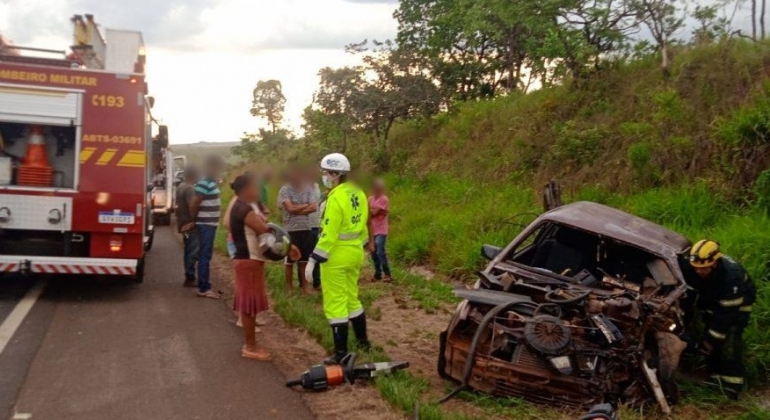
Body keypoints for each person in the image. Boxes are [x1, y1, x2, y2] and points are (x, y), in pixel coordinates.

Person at [305, 153, 372, 364]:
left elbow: (329, 233)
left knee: (335, 302)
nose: (324, 176)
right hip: (355, 253)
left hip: (336, 254)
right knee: (352, 296)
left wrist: (314, 259)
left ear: (335, 174)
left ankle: (341, 353)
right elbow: (362, 224)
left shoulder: (335, 198)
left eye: (325, 172)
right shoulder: (359, 193)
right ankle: (363, 342)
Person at [229, 174, 301, 361]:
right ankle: (250, 347)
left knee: (249, 306)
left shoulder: (241, 206)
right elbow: (266, 231)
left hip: (247, 261)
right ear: (246, 190)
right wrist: (289, 248)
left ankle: (251, 344)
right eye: (254, 187)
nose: (258, 190)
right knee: (248, 307)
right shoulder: (244, 210)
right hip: (248, 262)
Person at [681, 239, 756, 400]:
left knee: (728, 339)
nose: (699, 272)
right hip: (715, 301)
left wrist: (710, 340)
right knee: (711, 332)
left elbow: (725, 315)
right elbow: (689, 295)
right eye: (697, 268)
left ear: (715, 263)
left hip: (737, 305)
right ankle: (715, 378)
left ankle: (731, 388)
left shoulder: (731, 277)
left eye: (704, 269)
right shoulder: (691, 267)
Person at [278, 166, 318, 294]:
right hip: (290, 230)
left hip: (306, 229)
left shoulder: (308, 189)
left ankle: (305, 289)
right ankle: (289, 290)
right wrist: (306, 206)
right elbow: (290, 209)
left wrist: (298, 208)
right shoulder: (284, 190)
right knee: (289, 262)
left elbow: (314, 207)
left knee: (304, 261)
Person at [189, 154, 224, 299]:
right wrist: (193, 219)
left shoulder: (210, 182)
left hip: (209, 224)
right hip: (206, 224)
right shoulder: (204, 182)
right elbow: (195, 202)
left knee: (206, 254)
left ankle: (204, 285)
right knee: (205, 255)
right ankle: (204, 287)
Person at [176, 166, 199, 287]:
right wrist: (195, 221)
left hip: (182, 222)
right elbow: (192, 206)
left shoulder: (181, 186)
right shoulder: (190, 189)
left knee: (188, 249)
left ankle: (189, 274)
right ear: (193, 175)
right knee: (193, 250)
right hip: (189, 224)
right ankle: (190, 276)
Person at [368, 178, 392, 283]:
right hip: (372, 228)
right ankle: (377, 273)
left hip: (381, 229)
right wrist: (377, 211)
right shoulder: (370, 199)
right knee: (373, 252)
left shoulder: (384, 199)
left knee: (380, 251)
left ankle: (387, 274)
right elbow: (369, 213)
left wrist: (374, 211)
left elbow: (372, 213)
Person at [306, 167, 323, 289]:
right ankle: (306, 282)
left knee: (316, 254)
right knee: (306, 254)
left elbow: (317, 203)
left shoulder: (317, 186)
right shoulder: (302, 188)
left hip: (316, 225)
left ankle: (316, 282)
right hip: (306, 225)